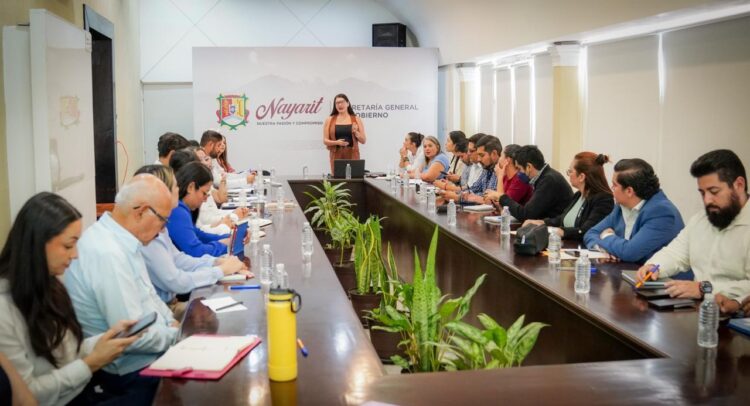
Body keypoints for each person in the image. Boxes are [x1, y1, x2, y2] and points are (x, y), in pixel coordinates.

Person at [0, 193, 142, 405]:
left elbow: (68, 353)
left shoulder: (51, 286)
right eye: (68, 246)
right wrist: (91, 364)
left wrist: (105, 340)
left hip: (82, 393)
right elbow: (26, 395)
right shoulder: (5, 311)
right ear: (37, 244)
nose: (75, 255)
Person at [64, 176, 179, 403]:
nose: (162, 230)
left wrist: (171, 321)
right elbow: (132, 337)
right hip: (128, 371)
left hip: (151, 351)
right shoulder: (108, 253)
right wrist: (178, 336)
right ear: (141, 212)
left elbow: (150, 295)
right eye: (163, 221)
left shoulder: (124, 240)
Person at [636, 150, 750, 313]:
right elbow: (676, 253)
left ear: (739, 185)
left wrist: (703, 288)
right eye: (702, 193)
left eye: (714, 191)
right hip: (699, 310)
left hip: (736, 316)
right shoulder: (700, 220)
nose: (707, 200)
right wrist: (654, 266)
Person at [136, 165, 249, 319]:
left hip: (167, 308)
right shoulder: (153, 228)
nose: (178, 189)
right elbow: (176, 280)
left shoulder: (164, 219)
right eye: (175, 187)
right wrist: (221, 270)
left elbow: (179, 258)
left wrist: (216, 262)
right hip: (168, 307)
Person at [584, 158, 684, 263]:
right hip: (628, 270)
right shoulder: (620, 207)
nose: (611, 189)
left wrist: (606, 236)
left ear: (629, 191)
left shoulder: (661, 212)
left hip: (658, 273)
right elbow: (591, 233)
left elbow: (630, 252)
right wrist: (603, 249)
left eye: (615, 185)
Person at [522, 152, 614, 240]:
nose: (568, 175)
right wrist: (541, 222)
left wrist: (561, 231)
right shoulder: (578, 195)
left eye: (570, 171)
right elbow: (562, 219)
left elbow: (586, 231)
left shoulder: (603, 200)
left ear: (581, 177)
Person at [489, 145, 572, 221]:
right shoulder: (545, 176)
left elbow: (526, 214)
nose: (518, 173)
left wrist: (502, 197)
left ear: (529, 167)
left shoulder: (548, 180)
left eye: (519, 169)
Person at [167, 162, 230, 257]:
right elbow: (196, 251)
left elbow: (200, 236)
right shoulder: (177, 212)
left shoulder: (182, 209)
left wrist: (230, 238)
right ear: (191, 187)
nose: (205, 200)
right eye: (204, 193)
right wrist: (225, 245)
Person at [322, 93, 367, 173]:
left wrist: (356, 132)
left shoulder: (356, 119)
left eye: (342, 102)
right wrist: (337, 142)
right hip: (336, 155)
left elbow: (363, 140)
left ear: (348, 103)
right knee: (338, 178)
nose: (340, 105)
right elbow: (325, 141)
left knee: (354, 178)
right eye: (337, 103)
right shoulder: (329, 120)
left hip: (353, 155)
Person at [460, 136, 503, 204]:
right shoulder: (487, 168)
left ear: (494, 153)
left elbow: (490, 198)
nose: (478, 159)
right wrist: (462, 195)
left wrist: (469, 197)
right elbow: (474, 189)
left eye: (482, 155)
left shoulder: (500, 169)